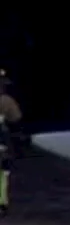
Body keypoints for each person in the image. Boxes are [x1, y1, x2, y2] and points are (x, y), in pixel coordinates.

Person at [0, 70, 23, 215]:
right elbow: (16, 119)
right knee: (2, 173)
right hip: (1, 143)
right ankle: (1, 204)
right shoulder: (6, 101)